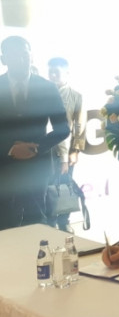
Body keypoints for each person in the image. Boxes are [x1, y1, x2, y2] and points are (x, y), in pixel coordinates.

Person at [0, 36, 70, 230]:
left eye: (25, 54)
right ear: (3, 59)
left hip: (37, 168)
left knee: (37, 224)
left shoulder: (47, 87)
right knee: (4, 226)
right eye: (14, 55)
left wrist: (36, 148)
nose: (21, 60)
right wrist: (10, 149)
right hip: (3, 168)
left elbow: (63, 128)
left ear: (31, 56)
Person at [46, 57, 86, 232]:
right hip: (45, 150)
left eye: (57, 72)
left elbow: (79, 125)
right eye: (50, 72)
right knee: (46, 186)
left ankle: (64, 221)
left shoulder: (76, 96)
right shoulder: (42, 94)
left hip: (67, 150)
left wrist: (75, 150)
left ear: (67, 73)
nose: (53, 75)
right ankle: (49, 222)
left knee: (64, 185)